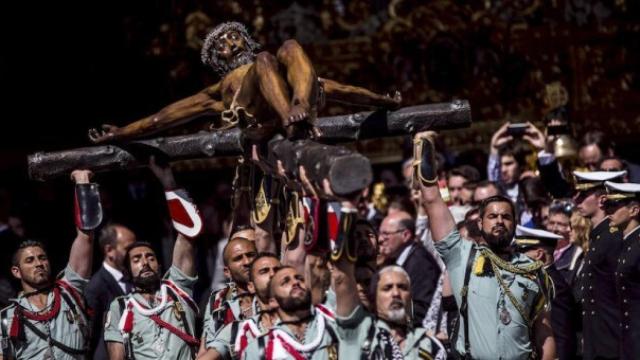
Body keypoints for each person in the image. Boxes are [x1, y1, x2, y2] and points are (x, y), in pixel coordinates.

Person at [88, 21, 401, 142]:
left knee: (290, 46)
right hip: (257, 110)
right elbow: (162, 118)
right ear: (215, 59)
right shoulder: (217, 91)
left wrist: (381, 101)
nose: (231, 43)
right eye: (221, 43)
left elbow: (341, 89)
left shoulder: (286, 71)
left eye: (234, 36)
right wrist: (121, 133)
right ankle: (291, 119)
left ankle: (297, 109)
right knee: (265, 59)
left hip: (298, 104)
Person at [414, 131, 555, 359]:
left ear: (515, 224)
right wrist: (424, 147)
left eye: (506, 217)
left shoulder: (532, 269)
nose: (499, 221)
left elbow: (544, 333)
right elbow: (432, 199)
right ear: (479, 223)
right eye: (492, 217)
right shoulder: (460, 256)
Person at [103, 157, 203, 360]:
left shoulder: (178, 289)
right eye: (137, 259)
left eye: (150, 257)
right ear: (128, 271)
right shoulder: (120, 307)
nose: (145, 262)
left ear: (159, 264)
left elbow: (186, 236)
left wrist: (168, 183)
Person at [0, 170, 101, 359]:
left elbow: (86, 236)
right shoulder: (6, 318)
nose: (38, 263)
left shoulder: (70, 291)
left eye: (42, 258)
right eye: (30, 260)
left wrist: (82, 181)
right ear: (16, 271)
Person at [572, 170, 626, 359]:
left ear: (602, 199)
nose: (575, 199)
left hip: (612, 340)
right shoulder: (599, 237)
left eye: (583, 195)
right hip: (598, 337)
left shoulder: (612, 238)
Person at [240, 266, 338, 359]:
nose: (295, 282)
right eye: (285, 282)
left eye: (300, 279)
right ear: (273, 302)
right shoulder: (258, 350)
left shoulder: (332, 322)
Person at [198, 253, 281, 360]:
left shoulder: (304, 318)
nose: (272, 274)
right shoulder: (237, 330)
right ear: (251, 287)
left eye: (277, 270)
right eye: (264, 271)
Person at [514, 225, 579, 360]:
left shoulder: (554, 285)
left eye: (522, 251)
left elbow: (562, 335)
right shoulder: (537, 280)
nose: (517, 256)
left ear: (539, 254)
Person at [377, 211, 441, 326]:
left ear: (405, 235)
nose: (380, 239)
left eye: (386, 234)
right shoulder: (392, 259)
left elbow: (422, 309)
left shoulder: (421, 264)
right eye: (380, 233)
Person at [86, 224, 137, 360]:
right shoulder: (96, 287)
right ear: (109, 250)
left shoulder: (134, 278)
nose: (134, 253)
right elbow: (91, 336)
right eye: (128, 248)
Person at [602, 181, 640, 359]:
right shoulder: (626, 243)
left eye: (614, 206)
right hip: (627, 336)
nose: (608, 211)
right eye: (607, 206)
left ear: (634, 210)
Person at [202, 236, 258, 338]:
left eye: (250, 255)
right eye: (238, 258)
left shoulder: (273, 292)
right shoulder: (217, 301)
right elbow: (207, 346)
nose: (247, 262)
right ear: (227, 272)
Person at [546, 200, 583, 286]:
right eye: (551, 223)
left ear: (570, 227)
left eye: (560, 224)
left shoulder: (577, 255)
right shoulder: (541, 250)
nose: (554, 229)